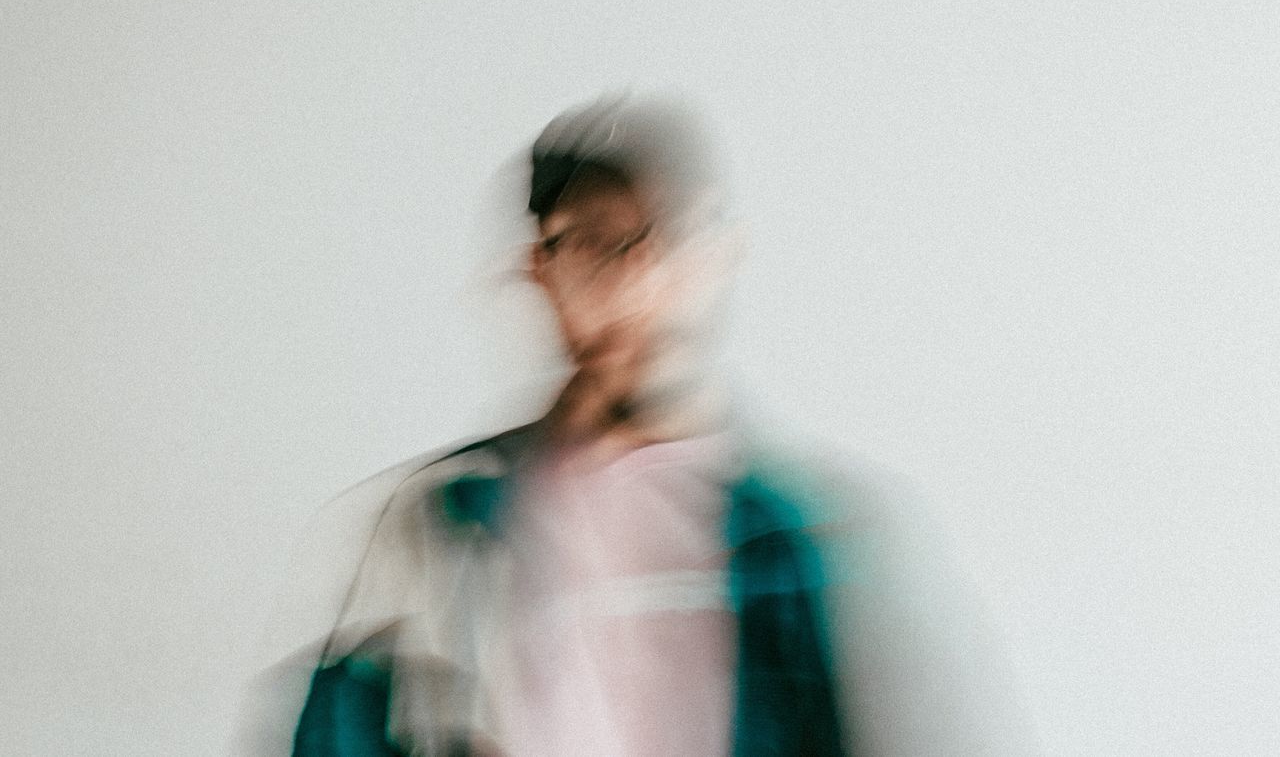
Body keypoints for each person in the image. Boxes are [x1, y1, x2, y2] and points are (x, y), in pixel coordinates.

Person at [242, 94, 1034, 756]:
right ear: (539, 274)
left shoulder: (825, 542)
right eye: (593, 244)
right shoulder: (430, 532)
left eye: (668, 236)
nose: (640, 279)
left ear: (722, 253)